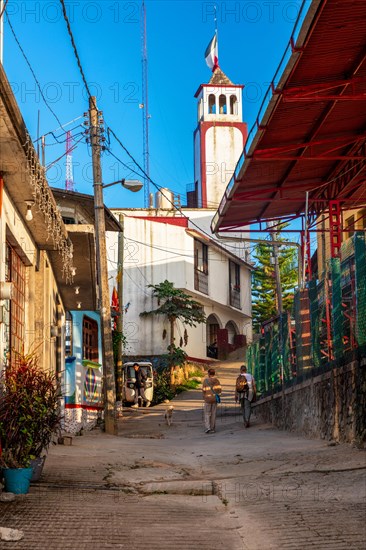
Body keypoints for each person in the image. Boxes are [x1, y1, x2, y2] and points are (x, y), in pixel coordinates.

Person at [202, 368, 222, 433]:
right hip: (214, 399)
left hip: (207, 399)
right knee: (213, 413)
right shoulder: (217, 381)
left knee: (207, 413)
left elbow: (203, 390)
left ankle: (208, 427)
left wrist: (205, 397)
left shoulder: (205, 381)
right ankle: (212, 428)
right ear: (214, 374)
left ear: (208, 374)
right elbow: (219, 390)